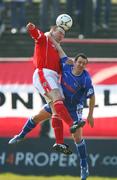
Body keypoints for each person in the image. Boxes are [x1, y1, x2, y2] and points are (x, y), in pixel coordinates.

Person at [9, 40, 95, 179]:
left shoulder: (86, 79)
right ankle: (20, 135)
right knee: (37, 117)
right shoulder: (66, 65)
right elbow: (60, 50)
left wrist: (90, 115)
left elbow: (92, 97)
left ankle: (84, 166)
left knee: (77, 137)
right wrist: (50, 36)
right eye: (79, 62)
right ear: (75, 61)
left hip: (74, 108)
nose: (81, 65)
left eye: (84, 64)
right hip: (59, 101)